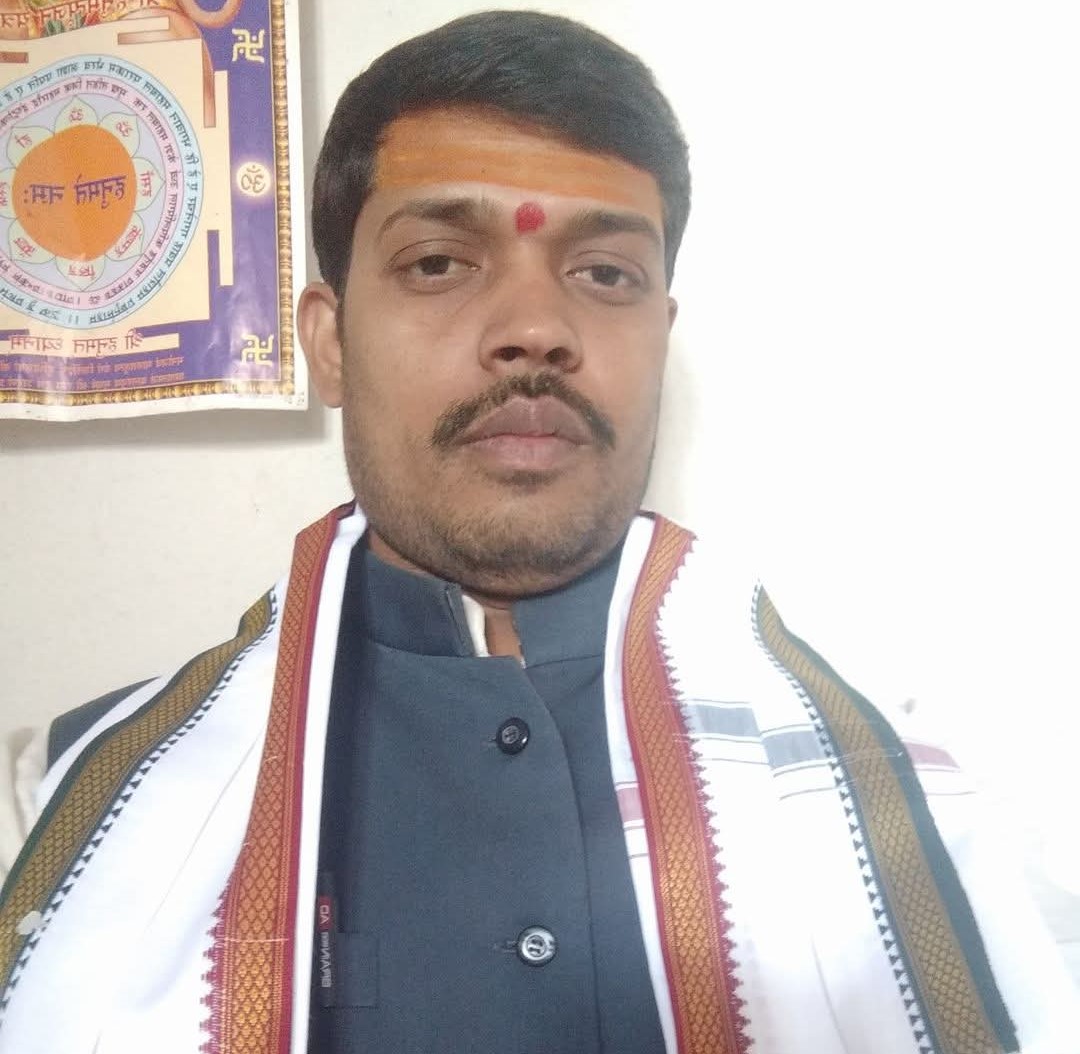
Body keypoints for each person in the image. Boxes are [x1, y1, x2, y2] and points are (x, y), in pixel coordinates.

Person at [0, 10, 1076, 1054]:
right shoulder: (56, 806)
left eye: (605, 274)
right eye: (438, 262)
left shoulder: (913, 799)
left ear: (659, 334)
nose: (534, 329)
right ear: (329, 344)